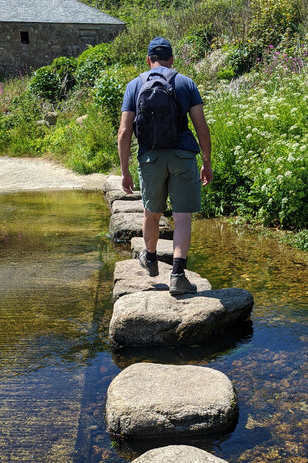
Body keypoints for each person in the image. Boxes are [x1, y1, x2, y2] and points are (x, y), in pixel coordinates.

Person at [117, 37, 213, 295]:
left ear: (148, 60)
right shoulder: (185, 82)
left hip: (151, 158)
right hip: (183, 156)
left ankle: (150, 257)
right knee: (182, 216)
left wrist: (125, 171)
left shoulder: (135, 85)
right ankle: (178, 275)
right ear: (172, 59)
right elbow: (201, 127)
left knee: (152, 211)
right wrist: (206, 161)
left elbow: (125, 132)